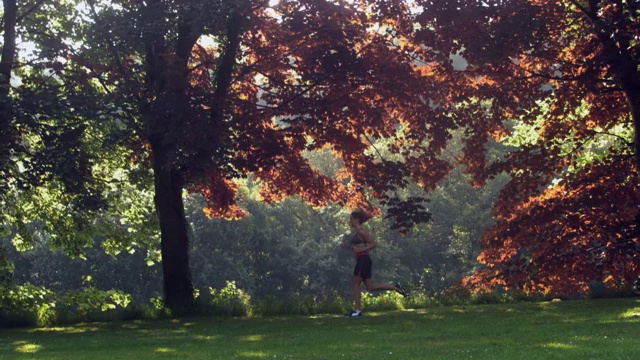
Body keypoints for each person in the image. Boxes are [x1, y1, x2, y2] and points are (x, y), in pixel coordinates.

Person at [343, 210, 407, 318]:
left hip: (363, 259)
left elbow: (374, 244)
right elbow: (356, 246)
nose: (350, 221)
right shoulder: (357, 232)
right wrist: (348, 247)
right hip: (362, 260)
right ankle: (395, 287)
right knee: (371, 286)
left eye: (351, 219)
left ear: (357, 219)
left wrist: (361, 249)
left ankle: (357, 311)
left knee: (355, 284)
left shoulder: (361, 231)